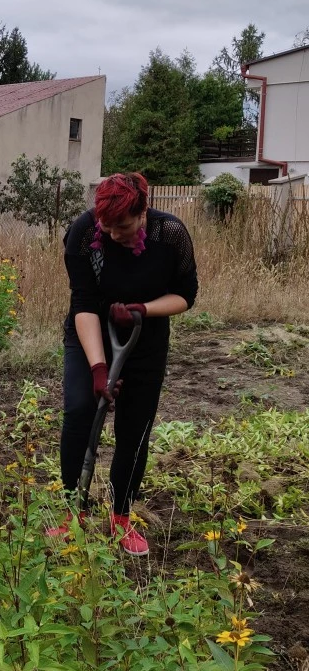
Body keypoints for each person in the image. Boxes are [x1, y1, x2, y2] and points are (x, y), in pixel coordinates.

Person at [51, 172, 198, 555]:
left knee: (135, 429)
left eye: (125, 226)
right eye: (108, 227)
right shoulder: (82, 233)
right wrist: (99, 369)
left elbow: (185, 296)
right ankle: (73, 515)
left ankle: (121, 518)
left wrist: (142, 310)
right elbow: (82, 302)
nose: (116, 234)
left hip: (144, 339)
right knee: (81, 409)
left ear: (143, 211)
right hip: (90, 334)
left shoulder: (171, 235)